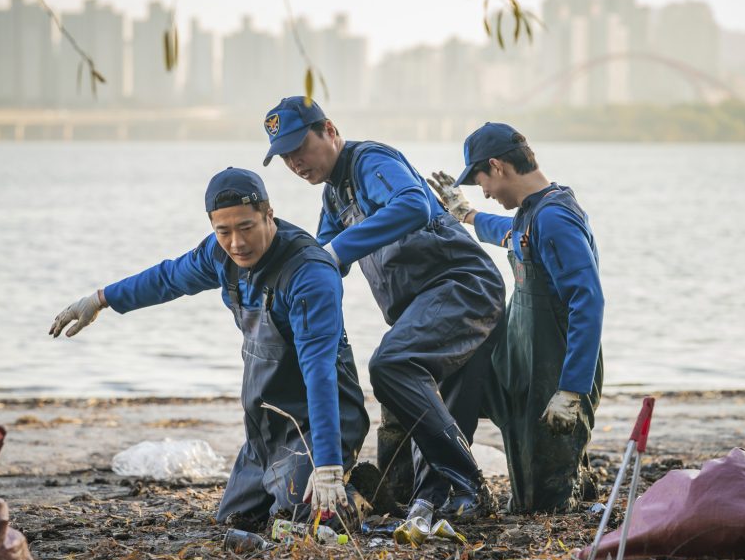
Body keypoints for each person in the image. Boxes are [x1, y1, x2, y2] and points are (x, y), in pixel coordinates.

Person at [48, 168, 370, 528]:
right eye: (224, 231)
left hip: (322, 423)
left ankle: (353, 489)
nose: (236, 243)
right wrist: (100, 299)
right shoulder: (220, 255)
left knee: (301, 520)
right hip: (266, 430)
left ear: (269, 215)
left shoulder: (310, 274)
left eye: (246, 227)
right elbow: (168, 279)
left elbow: (320, 373)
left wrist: (326, 464)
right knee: (233, 521)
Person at [260, 96, 506, 520]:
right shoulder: (334, 197)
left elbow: (413, 203)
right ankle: (440, 501)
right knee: (434, 413)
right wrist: (279, 290)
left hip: (463, 288)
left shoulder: (370, 161)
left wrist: (336, 252)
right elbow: (320, 265)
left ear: (330, 131)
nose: (296, 163)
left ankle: (471, 488)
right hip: (426, 311)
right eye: (285, 157)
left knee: (392, 365)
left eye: (300, 147)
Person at [429, 122, 605, 513]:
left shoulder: (556, 218)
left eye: (481, 183)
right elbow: (511, 231)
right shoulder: (532, 214)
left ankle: (574, 475)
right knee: (445, 382)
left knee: (537, 505)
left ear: (498, 166)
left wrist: (571, 390)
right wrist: (467, 214)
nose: (486, 193)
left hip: (555, 374)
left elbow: (588, 303)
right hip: (520, 363)